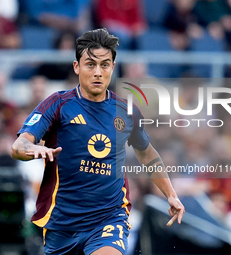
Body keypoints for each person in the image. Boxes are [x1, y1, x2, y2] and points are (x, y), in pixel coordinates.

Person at [11, 28, 185, 255]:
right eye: (90, 64)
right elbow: (18, 146)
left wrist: (170, 193)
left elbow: (147, 153)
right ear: (77, 67)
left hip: (109, 218)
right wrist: (32, 149)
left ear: (113, 68)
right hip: (62, 224)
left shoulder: (127, 111)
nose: (97, 72)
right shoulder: (58, 104)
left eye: (104, 65)